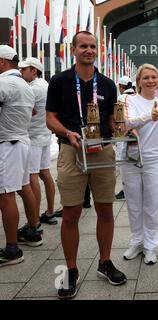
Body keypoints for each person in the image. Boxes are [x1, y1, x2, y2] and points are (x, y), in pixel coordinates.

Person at [46, 31, 126, 299]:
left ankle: (104, 262)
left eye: (93, 46)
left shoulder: (106, 83)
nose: (89, 50)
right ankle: (69, 269)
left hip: (101, 151)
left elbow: (112, 119)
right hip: (71, 150)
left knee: (105, 209)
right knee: (71, 214)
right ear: (73, 50)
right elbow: (50, 118)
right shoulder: (59, 81)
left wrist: (122, 130)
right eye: (83, 46)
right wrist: (68, 132)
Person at [121, 64, 158, 264]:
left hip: (154, 159)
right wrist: (149, 117)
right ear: (138, 81)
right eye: (146, 77)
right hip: (130, 158)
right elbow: (126, 122)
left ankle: (150, 245)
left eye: (154, 77)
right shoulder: (127, 99)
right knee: (134, 204)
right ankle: (137, 241)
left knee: (152, 204)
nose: (150, 81)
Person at [0, 45, 34, 267]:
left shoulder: (4, 83)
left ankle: (12, 248)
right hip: (21, 141)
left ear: (2, 62)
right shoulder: (25, 84)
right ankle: (33, 229)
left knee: (6, 195)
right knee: (24, 187)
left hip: (8, 144)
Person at [18, 58, 57, 226]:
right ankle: (49, 211)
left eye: (23, 70)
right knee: (45, 173)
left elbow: (26, 111)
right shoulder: (45, 85)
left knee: (32, 176)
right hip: (44, 135)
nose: (20, 73)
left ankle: (33, 221)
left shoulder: (32, 89)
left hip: (33, 137)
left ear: (34, 71)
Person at [115, 75, 136, 201]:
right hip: (136, 135)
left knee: (122, 164)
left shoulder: (121, 97)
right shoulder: (137, 96)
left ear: (121, 87)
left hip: (123, 134)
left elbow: (118, 118)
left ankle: (126, 189)